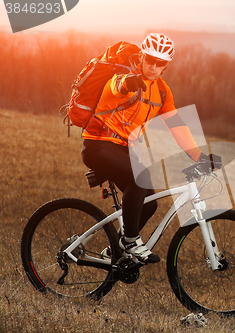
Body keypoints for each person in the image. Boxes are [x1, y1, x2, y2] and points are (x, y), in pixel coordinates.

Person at [81, 33, 205, 263]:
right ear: (142, 57)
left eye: (161, 63)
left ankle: (116, 252)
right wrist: (129, 83)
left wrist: (198, 155)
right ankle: (130, 240)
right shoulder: (125, 76)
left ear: (165, 66)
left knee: (149, 204)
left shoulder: (162, 91)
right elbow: (117, 86)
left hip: (123, 150)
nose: (154, 66)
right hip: (99, 145)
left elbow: (176, 124)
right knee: (141, 177)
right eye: (150, 60)